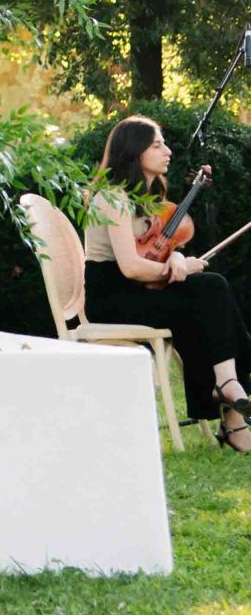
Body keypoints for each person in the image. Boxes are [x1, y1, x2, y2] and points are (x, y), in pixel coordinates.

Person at [83, 114, 251, 447]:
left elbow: (163, 250)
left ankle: (228, 394)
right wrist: (178, 269)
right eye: (157, 144)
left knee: (206, 295)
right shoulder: (112, 198)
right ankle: (231, 405)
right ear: (134, 151)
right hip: (113, 297)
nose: (168, 151)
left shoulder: (147, 199)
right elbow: (131, 267)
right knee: (208, 291)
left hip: (142, 292)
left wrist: (175, 258)